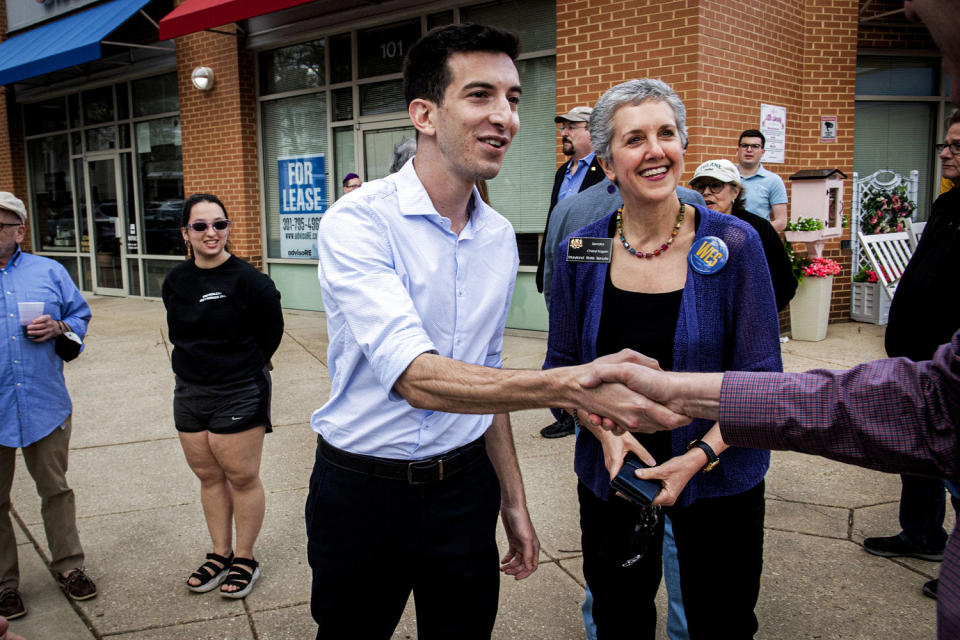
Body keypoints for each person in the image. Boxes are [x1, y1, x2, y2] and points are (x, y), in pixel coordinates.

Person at [309, 24, 686, 640]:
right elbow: (417, 377)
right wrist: (572, 386)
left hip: (463, 491)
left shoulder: (497, 236)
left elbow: (488, 380)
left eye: (512, 98)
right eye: (481, 95)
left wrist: (512, 499)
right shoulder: (359, 222)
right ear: (424, 114)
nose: (505, 117)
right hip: (361, 491)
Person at [545, 79, 781, 639]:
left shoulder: (735, 244)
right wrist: (605, 434)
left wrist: (698, 455)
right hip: (614, 479)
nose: (655, 150)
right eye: (635, 139)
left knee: (720, 621)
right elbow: (562, 374)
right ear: (606, 162)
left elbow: (763, 382)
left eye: (667, 134)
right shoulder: (580, 250)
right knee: (618, 617)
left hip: (721, 482)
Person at [162, 194, 283, 599]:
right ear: (186, 233)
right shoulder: (175, 282)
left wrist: (245, 365)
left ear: (228, 228)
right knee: (209, 476)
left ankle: (245, 557)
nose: (211, 233)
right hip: (190, 391)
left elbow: (271, 334)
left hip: (239, 390)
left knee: (241, 477)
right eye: (200, 226)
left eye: (219, 224)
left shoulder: (251, 282)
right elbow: (179, 332)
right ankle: (220, 552)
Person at [860, 109, 960, 597]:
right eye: (946, 143)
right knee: (916, 450)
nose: (945, 152)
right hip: (915, 354)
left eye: (957, 146)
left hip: (945, 361)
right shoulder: (948, 203)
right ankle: (921, 533)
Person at [0, 192, 95, 621]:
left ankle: (70, 566)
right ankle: (4, 585)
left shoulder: (49, 272)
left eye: (1, 225)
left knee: (55, 490)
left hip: (44, 403)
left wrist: (58, 326)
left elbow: (80, 318)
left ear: (19, 231)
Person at [538, 105, 606, 439]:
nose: (563, 133)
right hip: (560, 267)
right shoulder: (563, 172)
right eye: (562, 127)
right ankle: (565, 413)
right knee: (562, 340)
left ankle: (587, 410)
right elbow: (555, 224)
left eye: (570, 127)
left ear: (592, 131)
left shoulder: (604, 172)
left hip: (590, 263)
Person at [689, 159, 797, 311]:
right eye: (700, 187)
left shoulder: (757, 228)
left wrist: (759, 318)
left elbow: (784, 282)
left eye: (715, 185)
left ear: (735, 191)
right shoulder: (688, 226)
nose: (706, 192)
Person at [735, 129, 788, 232]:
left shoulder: (773, 181)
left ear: (762, 152)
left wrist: (756, 234)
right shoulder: (727, 177)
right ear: (738, 150)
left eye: (755, 146)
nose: (749, 150)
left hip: (760, 242)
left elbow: (781, 222)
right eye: (745, 145)